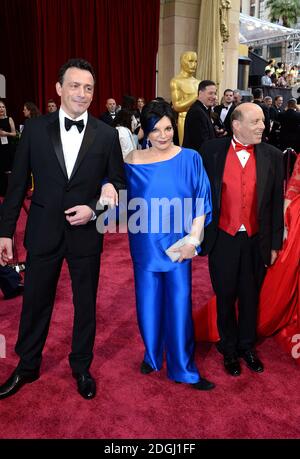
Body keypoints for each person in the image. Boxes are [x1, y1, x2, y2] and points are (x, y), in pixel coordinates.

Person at [0, 58, 125, 400]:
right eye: (75, 86)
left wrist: (96, 207)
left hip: (86, 232)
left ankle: (81, 366)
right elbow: (16, 186)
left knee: (86, 303)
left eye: (88, 88)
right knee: (36, 300)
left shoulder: (107, 134)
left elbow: (118, 184)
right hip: (43, 229)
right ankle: (27, 365)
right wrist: (5, 232)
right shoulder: (35, 130)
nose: (82, 94)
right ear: (58, 88)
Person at [124, 100, 214, 390]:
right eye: (155, 130)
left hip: (179, 245)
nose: (163, 135)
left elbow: (201, 201)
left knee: (179, 305)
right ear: (145, 131)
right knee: (147, 304)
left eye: (167, 128)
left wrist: (193, 240)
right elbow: (119, 197)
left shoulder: (190, 158)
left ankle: (184, 368)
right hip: (144, 244)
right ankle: (152, 356)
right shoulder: (132, 160)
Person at [199, 103, 284, 377]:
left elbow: (274, 203)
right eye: (256, 121)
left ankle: (247, 346)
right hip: (222, 238)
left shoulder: (273, 155)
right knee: (225, 296)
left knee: (250, 297)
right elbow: (197, 193)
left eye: (263, 121)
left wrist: (273, 245)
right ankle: (229, 347)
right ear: (236, 125)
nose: (263, 125)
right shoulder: (211, 151)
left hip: (256, 241)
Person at [170, 51, 200, 145]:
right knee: (186, 148)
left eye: (195, 61)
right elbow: (177, 106)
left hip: (200, 119)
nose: (194, 65)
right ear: (183, 62)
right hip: (184, 119)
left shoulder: (198, 82)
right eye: (190, 61)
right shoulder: (176, 81)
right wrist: (196, 95)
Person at [182, 80, 217, 153]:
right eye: (210, 93)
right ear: (200, 93)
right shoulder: (197, 112)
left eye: (215, 93)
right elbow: (201, 142)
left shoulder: (203, 109)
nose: (214, 97)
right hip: (197, 158)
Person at [0, 100, 17, 197]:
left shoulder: (9, 119)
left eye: (3, 107)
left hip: (8, 148)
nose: (1, 109)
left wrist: (5, 134)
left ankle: (10, 191)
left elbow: (14, 134)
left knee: (9, 170)